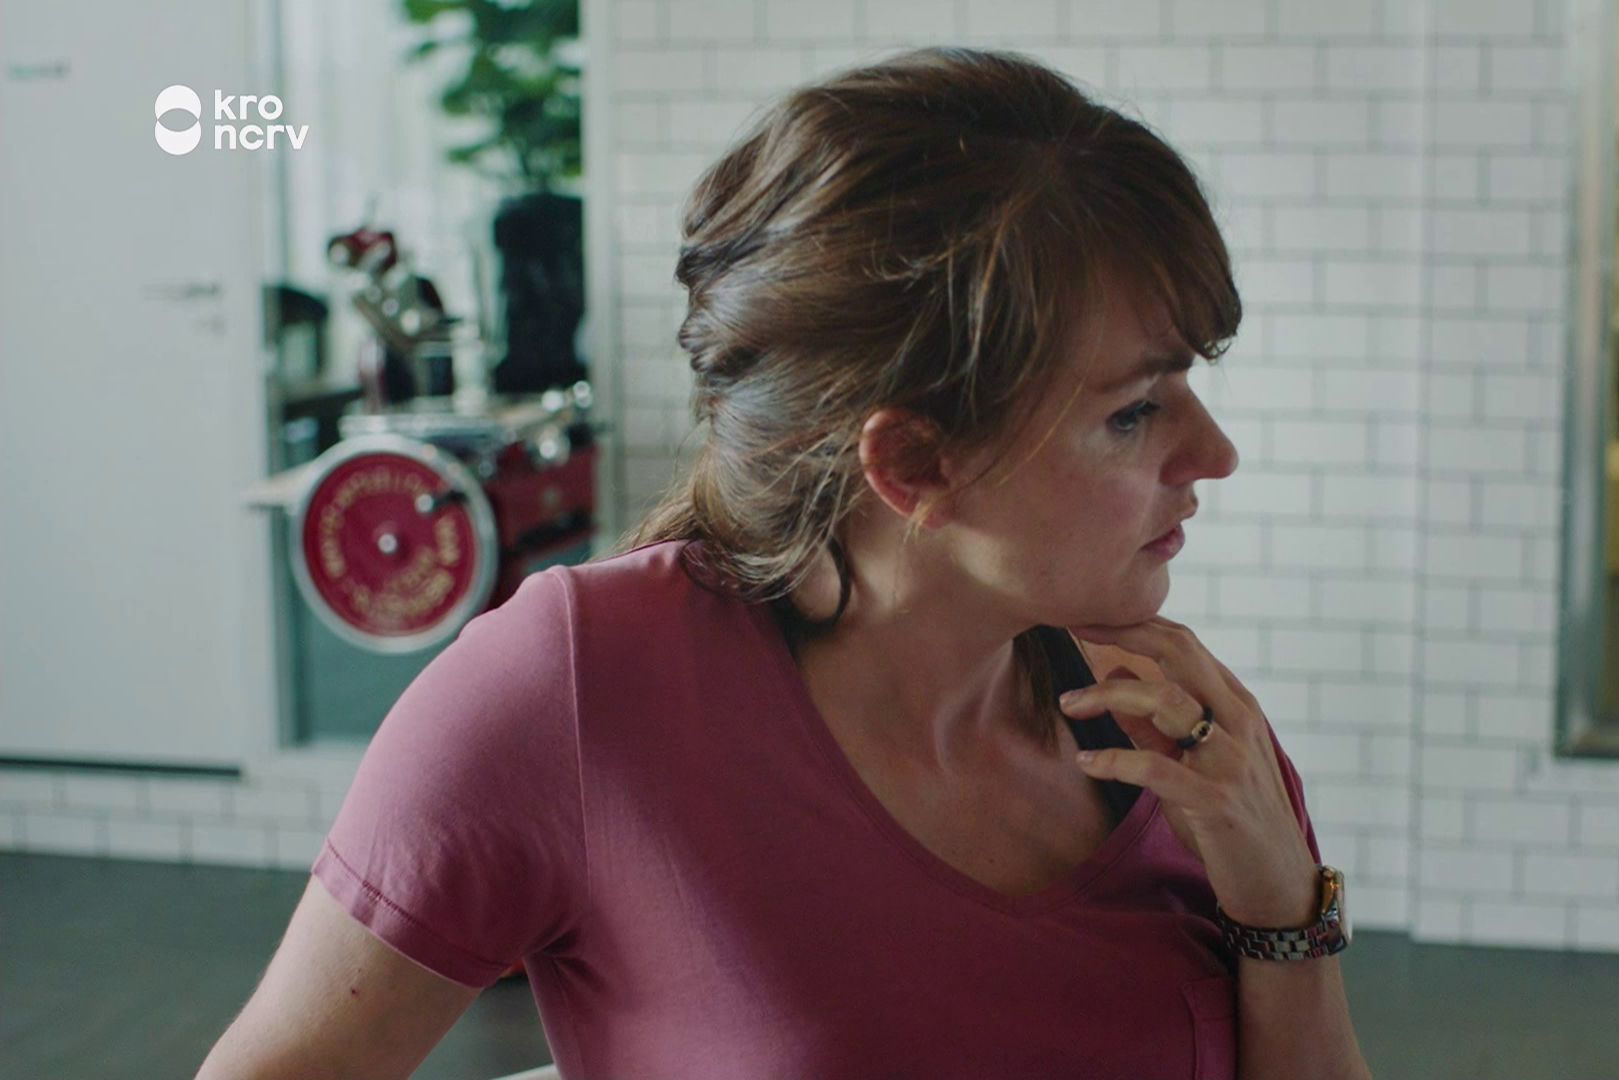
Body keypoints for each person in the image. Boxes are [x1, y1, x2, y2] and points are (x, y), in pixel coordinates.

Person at [196, 45, 1370, 1080]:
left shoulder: (1188, 739)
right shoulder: (575, 690)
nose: (1214, 455)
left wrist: (1282, 914)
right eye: (1133, 411)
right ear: (911, 461)